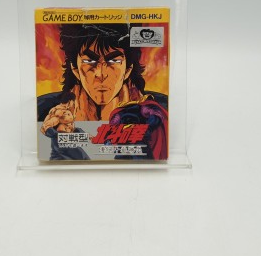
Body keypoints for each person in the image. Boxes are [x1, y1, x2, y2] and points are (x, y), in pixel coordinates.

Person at [37, 23, 167, 122]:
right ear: (75, 69)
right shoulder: (42, 110)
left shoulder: (162, 109)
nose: (101, 74)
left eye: (114, 61)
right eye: (89, 61)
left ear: (127, 70)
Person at [40, 92, 90, 160]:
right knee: (83, 158)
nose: (74, 104)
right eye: (73, 102)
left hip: (66, 140)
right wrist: (58, 136)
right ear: (70, 101)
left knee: (76, 158)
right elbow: (46, 126)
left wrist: (78, 132)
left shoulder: (66, 110)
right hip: (63, 140)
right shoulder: (60, 111)